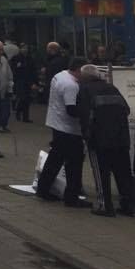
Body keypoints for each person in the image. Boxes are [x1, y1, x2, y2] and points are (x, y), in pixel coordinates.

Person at [77, 64, 134, 217]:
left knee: (101, 173)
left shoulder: (85, 90)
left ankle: (105, 205)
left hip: (99, 139)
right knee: (123, 172)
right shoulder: (112, 88)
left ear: (84, 77)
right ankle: (129, 205)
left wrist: (87, 136)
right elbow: (126, 110)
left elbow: (84, 115)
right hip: (121, 138)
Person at [36, 57, 89, 207]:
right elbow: (71, 109)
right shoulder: (71, 85)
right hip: (68, 129)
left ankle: (43, 188)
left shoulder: (60, 75)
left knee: (55, 158)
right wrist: (88, 114)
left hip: (56, 123)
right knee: (74, 162)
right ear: (79, 70)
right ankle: (71, 196)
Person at [9, 48, 36, 123]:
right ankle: (20, 112)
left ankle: (24, 116)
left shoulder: (30, 59)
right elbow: (13, 69)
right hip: (20, 81)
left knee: (27, 99)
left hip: (28, 81)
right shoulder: (16, 58)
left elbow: (33, 70)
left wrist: (34, 82)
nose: (25, 50)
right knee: (23, 98)